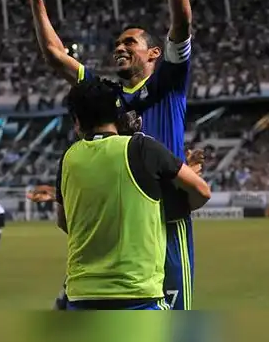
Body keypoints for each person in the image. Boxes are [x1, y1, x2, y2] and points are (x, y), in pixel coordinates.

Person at [22, 0, 198, 310]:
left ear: (153, 53)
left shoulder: (167, 82)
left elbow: (182, 23)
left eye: (129, 43)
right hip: (120, 221)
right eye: (117, 44)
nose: (119, 47)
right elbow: (55, 55)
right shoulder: (105, 95)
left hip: (165, 218)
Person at [55, 78, 211, 310]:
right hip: (137, 294)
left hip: (81, 295)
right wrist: (172, 207)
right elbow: (201, 191)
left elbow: (63, 221)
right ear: (117, 114)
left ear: (77, 121)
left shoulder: (68, 158)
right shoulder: (141, 147)